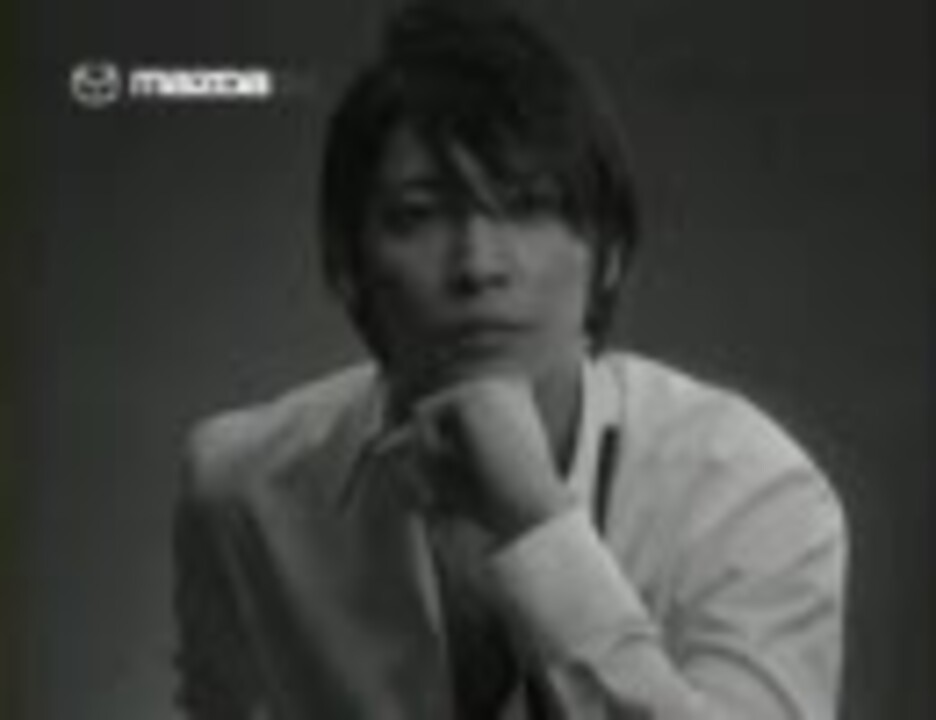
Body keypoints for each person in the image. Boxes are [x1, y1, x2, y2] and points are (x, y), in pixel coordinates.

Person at [173, 2, 848, 718]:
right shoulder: (240, 486)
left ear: (610, 255)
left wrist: (535, 522)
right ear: (347, 264)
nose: (478, 266)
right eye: (418, 214)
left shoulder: (750, 491)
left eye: (528, 208)